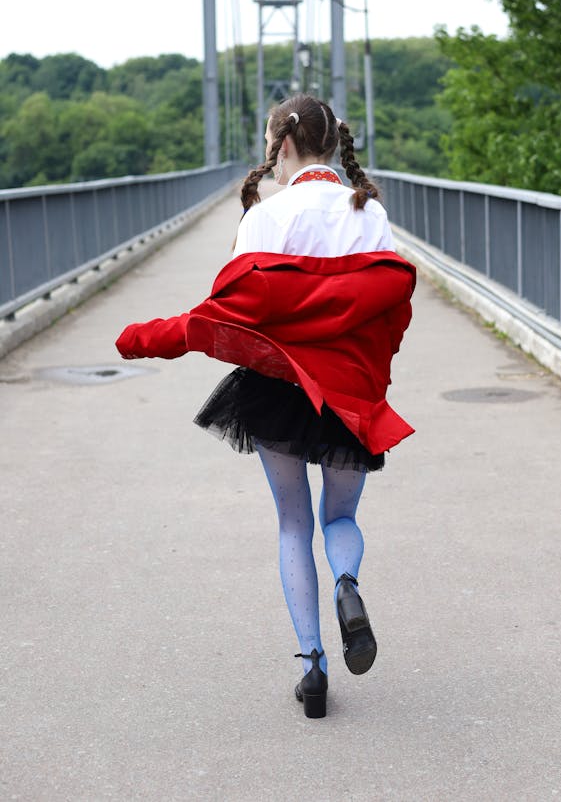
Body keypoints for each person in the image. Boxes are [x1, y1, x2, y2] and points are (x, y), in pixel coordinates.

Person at [116, 93, 416, 719]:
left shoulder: (265, 219)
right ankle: (348, 585)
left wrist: (143, 337)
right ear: (333, 142)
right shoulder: (369, 213)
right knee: (340, 520)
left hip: (278, 392)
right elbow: (391, 310)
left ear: (283, 143)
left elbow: (222, 314)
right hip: (348, 393)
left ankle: (311, 668)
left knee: (291, 525)